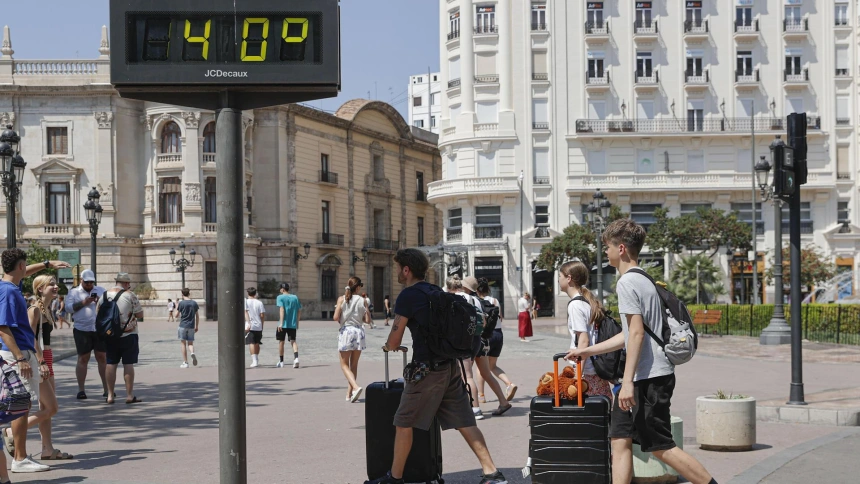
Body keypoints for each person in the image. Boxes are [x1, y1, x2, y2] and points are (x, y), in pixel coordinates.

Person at [566, 219, 717, 484]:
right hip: (644, 375)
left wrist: (626, 383)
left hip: (648, 378)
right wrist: (588, 351)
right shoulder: (644, 279)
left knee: (660, 446)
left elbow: (635, 334)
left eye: (608, 247)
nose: (606, 252)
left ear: (621, 248)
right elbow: (628, 335)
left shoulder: (627, 283)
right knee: (620, 438)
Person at [365, 248, 506, 484]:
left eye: (398, 267)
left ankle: (395, 478)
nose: (397, 272)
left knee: (404, 421)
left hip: (426, 369)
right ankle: (492, 473)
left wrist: (390, 347)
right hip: (451, 366)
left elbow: (394, 340)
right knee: (464, 420)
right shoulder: (435, 291)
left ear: (406, 270)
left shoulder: (408, 296)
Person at [0, 249, 61, 473]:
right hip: (18, 355)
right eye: (25, 265)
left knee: (24, 405)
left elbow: (23, 273)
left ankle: (21, 456)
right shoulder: (7, 291)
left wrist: (46, 263)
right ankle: (20, 458)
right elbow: (3, 327)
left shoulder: (11, 285)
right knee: (20, 406)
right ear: (20, 266)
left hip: (23, 353)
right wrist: (19, 356)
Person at [29, 275, 73, 461]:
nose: (56, 286)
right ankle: (11, 430)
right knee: (50, 407)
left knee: (46, 406)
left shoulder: (46, 309)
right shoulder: (34, 309)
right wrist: (41, 361)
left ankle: (47, 448)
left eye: (56, 283)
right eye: (51, 284)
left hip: (46, 356)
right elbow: (29, 338)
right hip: (40, 359)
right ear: (40, 288)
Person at [559, 261, 612, 401]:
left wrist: (577, 378)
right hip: (594, 369)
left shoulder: (575, 305)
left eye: (560, 276)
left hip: (586, 372)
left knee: (588, 415)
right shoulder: (585, 301)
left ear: (568, 278)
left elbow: (583, 340)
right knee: (601, 413)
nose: (559, 280)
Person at [460, 276, 511, 417]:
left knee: (467, 375)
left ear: (465, 287)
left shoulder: (462, 297)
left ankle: (475, 409)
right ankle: (503, 401)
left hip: (469, 341)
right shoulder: (478, 300)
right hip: (481, 340)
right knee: (486, 373)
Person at [101, 273, 144, 404]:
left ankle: (109, 395)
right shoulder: (130, 295)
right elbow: (140, 314)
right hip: (128, 334)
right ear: (126, 284)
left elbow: (99, 314)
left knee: (110, 363)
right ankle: (129, 395)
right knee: (128, 364)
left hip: (110, 335)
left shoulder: (103, 295)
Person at [66, 269, 108, 400]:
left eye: (91, 282)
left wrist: (100, 302)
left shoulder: (101, 290)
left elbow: (110, 306)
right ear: (81, 280)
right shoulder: (74, 292)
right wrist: (84, 302)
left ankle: (107, 389)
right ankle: (81, 390)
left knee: (102, 357)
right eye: (87, 282)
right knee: (83, 358)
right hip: (82, 329)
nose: (89, 285)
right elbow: (68, 308)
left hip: (99, 329)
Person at [474, 278, 517, 404]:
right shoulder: (494, 300)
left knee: (480, 366)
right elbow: (501, 318)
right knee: (492, 366)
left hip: (486, 335)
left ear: (476, 290)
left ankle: (481, 395)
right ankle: (509, 384)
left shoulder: (477, 301)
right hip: (498, 334)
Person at [334, 277, 369, 402]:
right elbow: (367, 320)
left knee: (344, 365)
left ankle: (355, 387)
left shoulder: (341, 299)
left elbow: (335, 317)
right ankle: (349, 394)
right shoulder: (362, 300)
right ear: (358, 287)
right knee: (354, 365)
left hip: (346, 332)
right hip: (359, 332)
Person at [275, 283, 301, 368]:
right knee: (293, 341)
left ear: (282, 289)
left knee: (281, 342)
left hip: (283, 324)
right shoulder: (295, 297)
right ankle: (296, 358)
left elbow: (282, 309)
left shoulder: (280, 297)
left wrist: (281, 323)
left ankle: (281, 361)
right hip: (292, 324)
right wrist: (297, 322)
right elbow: (299, 310)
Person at [177, 288, 199, 368]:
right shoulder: (194, 303)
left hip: (182, 325)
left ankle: (185, 362)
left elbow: (176, 315)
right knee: (190, 343)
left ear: (182, 294)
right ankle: (192, 353)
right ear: (189, 293)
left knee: (183, 343)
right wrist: (196, 326)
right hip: (191, 326)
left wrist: (177, 306)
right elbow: (197, 315)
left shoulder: (181, 303)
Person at [245, 287, 265, 368]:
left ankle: (254, 360)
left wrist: (248, 323)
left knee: (251, 342)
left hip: (250, 325)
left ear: (248, 293)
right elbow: (262, 315)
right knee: (257, 342)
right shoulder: (259, 303)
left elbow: (244, 312)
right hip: (258, 325)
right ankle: (256, 359)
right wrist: (262, 324)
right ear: (255, 293)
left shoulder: (245, 302)